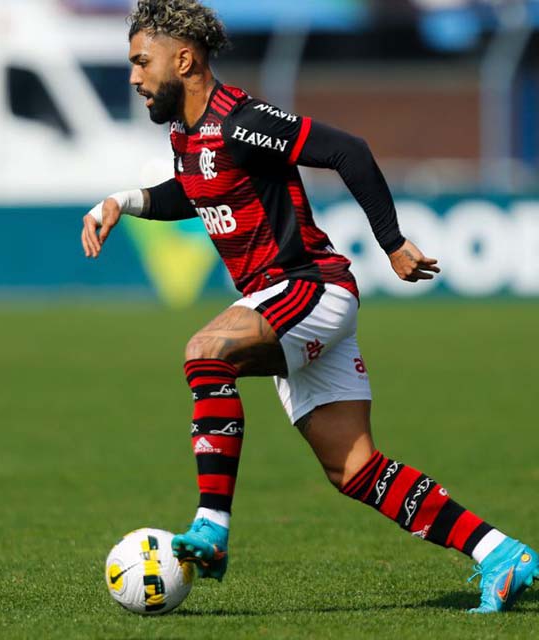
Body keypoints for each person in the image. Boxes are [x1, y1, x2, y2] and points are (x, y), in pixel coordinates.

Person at [80, 0, 536, 613]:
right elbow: (195, 191)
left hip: (308, 286)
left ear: (183, 60)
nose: (134, 76)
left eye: (142, 61)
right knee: (355, 470)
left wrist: (392, 243)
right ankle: (501, 554)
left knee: (205, 353)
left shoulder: (241, 120)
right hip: (281, 300)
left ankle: (211, 527)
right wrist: (123, 201)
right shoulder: (185, 133)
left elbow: (349, 150)